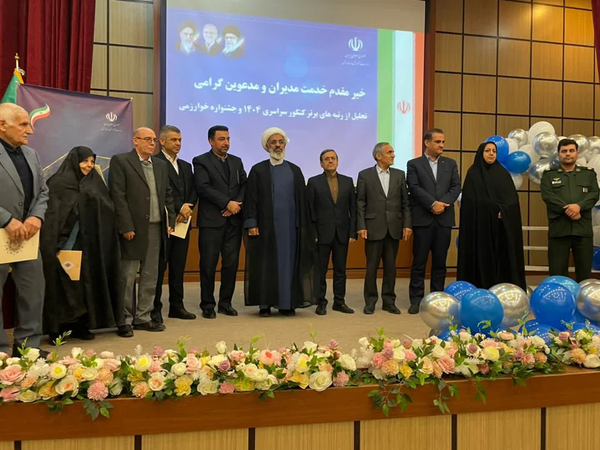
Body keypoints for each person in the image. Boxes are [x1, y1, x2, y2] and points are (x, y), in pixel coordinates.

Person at [41, 146, 121, 341]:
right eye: (85, 161)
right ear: (74, 161)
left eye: (92, 162)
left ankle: (81, 326)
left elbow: (107, 207)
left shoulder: (95, 182)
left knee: (85, 285)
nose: (89, 165)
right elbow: (53, 214)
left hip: (88, 245)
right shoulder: (58, 183)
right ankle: (57, 328)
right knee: (62, 286)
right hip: (63, 245)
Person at [109, 127, 176, 337]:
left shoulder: (160, 165)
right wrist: (126, 226)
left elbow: (168, 194)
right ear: (135, 140)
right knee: (128, 276)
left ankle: (143, 317)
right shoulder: (121, 161)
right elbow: (118, 196)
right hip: (134, 229)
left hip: (157, 227)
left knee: (150, 275)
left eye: (154, 140)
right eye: (147, 139)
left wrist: (170, 219)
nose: (152, 143)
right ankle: (125, 320)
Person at [244, 127, 317, 316]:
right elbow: (251, 198)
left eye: (281, 142)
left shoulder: (295, 170)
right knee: (266, 265)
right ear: (267, 145)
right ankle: (265, 304)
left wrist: (305, 228)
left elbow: (303, 202)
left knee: (289, 265)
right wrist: (252, 223)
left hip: (291, 229)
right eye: (273, 142)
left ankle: (287, 304)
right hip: (266, 228)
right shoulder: (258, 170)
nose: (277, 145)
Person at [0, 103, 49, 356]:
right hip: (1, 232)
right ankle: (0, 352)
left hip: (28, 237)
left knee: (33, 293)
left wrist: (36, 217)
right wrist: (6, 220)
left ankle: (28, 349)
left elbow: (43, 191)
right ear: (2, 125)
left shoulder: (31, 154)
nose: (30, 130)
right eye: (22, 124)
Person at [193, 125, 246, 319]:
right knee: (208, 264)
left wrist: (236, 204)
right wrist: (226, 203)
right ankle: (208, 304)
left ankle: (225, 303)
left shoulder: (236, 161)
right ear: (211, 141)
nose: (226, 143)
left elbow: (244, 185)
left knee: (231, 264)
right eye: (222, 139)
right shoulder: (201, 161)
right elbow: (203, 187)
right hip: (211, 222)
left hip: (234, 221)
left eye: (228, 139)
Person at [457, 142, 526, 289]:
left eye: (494, 151)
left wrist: (503, 210)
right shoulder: (473, 174)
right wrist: (489, 209)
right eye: (487, 150)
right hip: (480, 227)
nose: (491, 153)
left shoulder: (502, 173)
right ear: (481, 153)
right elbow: (470, 202)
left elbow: (512, 200)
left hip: (501, 227)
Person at [406, 129, 461, 314]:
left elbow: (456, 187)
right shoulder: (414, 164)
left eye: (443, 141)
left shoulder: (450, 164)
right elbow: (414, 188)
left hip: (443, 219)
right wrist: (432, 204)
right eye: (438, 142)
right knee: (419, 262)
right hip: (423, 219)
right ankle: (416, 300)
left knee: (440, 262)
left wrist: (442, 204)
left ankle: (437, 299)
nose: (441, 145)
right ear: (427, 143)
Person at [357, 142, 412, 315]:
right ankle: (370, 301)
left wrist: (407, 224)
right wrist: (361, 225)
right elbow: (360, 202)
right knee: (371, 267)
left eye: (393, 152)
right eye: (390, 152)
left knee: (390, 267)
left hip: (394, 227)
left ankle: (389, 301)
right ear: (378, 156)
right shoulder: (365, 175)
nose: (393, 155)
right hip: (373, 227)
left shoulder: (399, 175)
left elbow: (405, 203)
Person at [152, 126, 197, 323]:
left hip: (183, 223)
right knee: (159, 267)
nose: (178, 143)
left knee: (178, 267)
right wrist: (179, 207)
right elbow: (159, 191)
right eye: (173, 140)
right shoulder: (155, 162)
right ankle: (154, 308)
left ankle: (177, 306)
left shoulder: (185, 166)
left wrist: (188, 207)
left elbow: (194, 190)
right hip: (164, 223)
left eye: (180, 140)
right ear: (162, 142)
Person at [541, 139, 600, 281]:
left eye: (571, 151)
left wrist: (579, 206)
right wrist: (568, 210)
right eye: (564, 151)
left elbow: (594, 194)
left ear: (577, 154)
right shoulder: (548, 175)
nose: (568, 154)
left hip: (582, 229)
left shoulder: (588, 174)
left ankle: (582, 296)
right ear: (558, 155)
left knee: (584, 272)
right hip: (559, 229)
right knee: (557, 272)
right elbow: (548, 196)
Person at [307, 149, 356, 315]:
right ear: (321, 163)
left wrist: (352, 232)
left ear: (337, 161)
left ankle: (339, 302)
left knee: (340, 270)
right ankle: (320, 302)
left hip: (342, 233)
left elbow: (353, 209)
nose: (330, 161)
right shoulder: (313, 182)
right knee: (320, 271)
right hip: (321, 234)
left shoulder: (348, 181)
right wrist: (313, 233)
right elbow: (310, 210)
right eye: (326, 159)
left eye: (333, 158)